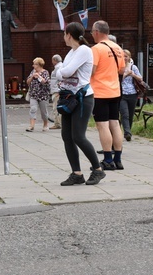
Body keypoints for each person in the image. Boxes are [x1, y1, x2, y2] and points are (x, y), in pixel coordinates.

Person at [58, 22, 104, 186]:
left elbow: (65, 72)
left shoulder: (84, 50)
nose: (63, 37)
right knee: (67, 136)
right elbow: (62, 72)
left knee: (78, 136)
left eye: (64, 33)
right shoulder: (71, 52)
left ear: (69, 34)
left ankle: (98, 169)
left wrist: (61, 70)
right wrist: (61, 71)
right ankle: (77, 173)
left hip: (83, 98)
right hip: (69, 97)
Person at [90, 20, 125, 171]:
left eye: (92, 31)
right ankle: (118, 159)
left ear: (97, 32)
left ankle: (108, 160)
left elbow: (91, 70)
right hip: (115, 91)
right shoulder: (118, 48)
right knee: (115, 124)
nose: (91, 34)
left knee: (102, 125)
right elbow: (122, 71)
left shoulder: (96, 49)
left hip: (100, 92)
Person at [119, 49, 143, 142]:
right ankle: (127, 133)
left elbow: (140, 79)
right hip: (122, 94)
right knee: (124, 114)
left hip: (132, 93)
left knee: (130, 114)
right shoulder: (119, 68)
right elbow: (117, 80)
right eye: (123, 56)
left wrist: (133, 75)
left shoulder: (133, 67)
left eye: (126, 56)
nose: (124, 58)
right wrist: (125, 75)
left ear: (129, 57)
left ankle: (128, 131)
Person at [25, 57, 50, 132]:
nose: (33, 66)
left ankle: (45, 125)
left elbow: (45, 82)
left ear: (39, 65)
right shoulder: (33, 72)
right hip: (33, 94)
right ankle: (31, 126)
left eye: (35, 64)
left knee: (44, 112)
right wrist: (32, 76)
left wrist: (39, 76)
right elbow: (28, 82)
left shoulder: (45, 72)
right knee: (33, 109)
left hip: (43, 95)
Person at [50, 54, 63, 129]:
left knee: (56, 107)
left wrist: (59, 90)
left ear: (55, 60)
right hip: (57, 89)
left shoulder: (58, 67)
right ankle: (58, 123)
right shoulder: (61, 66)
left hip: (57, 90)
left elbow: (60, 78)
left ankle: (57, 123)